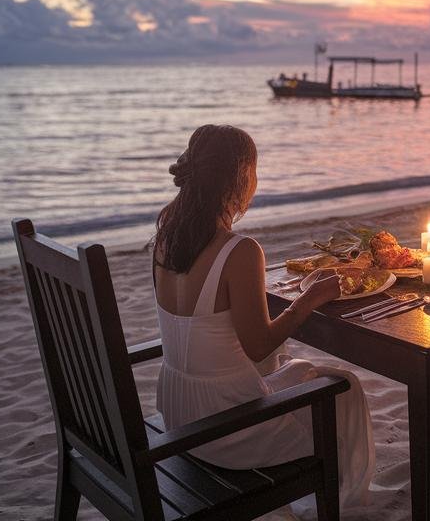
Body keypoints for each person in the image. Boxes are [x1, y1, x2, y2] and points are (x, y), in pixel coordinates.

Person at [152, 124, 374, 505]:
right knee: (343, 387)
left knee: (297, 367)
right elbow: (258, 347)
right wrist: (310, 299)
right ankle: (339, 502)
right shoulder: (240, 251)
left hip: (179, 414)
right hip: (226, 431)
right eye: (254, 170)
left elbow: (209, 331)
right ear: (240, 177)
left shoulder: (166, 237)